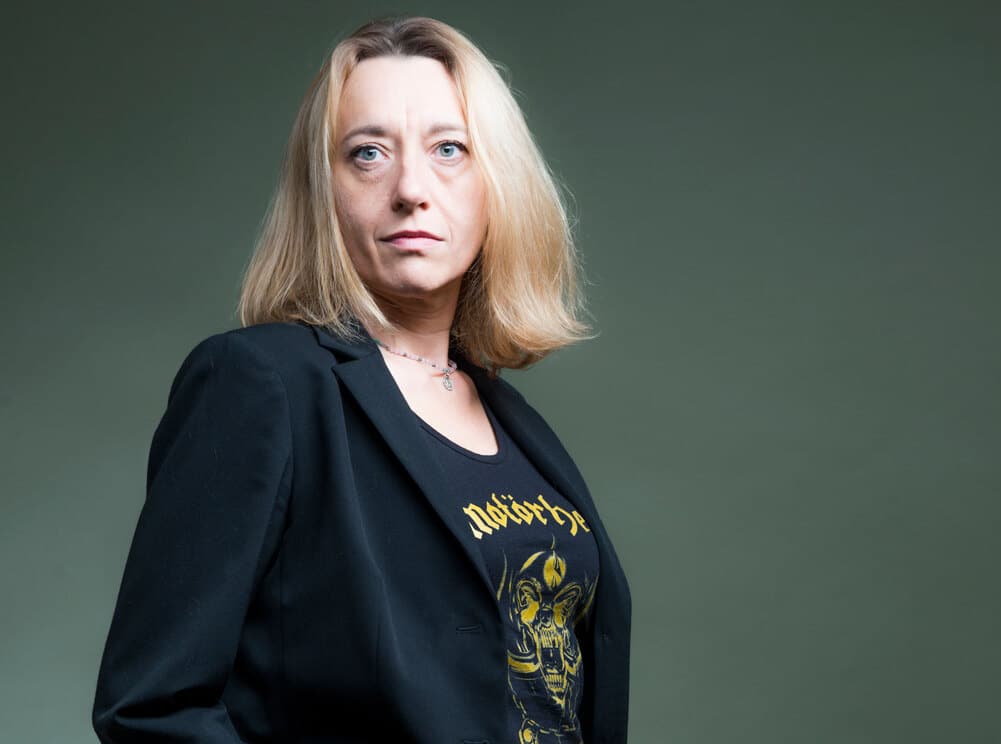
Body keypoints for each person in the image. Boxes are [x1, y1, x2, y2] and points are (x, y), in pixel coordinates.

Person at [92, 15, 631, 744]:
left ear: (496, 182)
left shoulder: (509, 415)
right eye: (368, 154)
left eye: (449, 149)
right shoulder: (261, 384)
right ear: (325, 191)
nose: (411, 189)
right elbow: (150, 708)